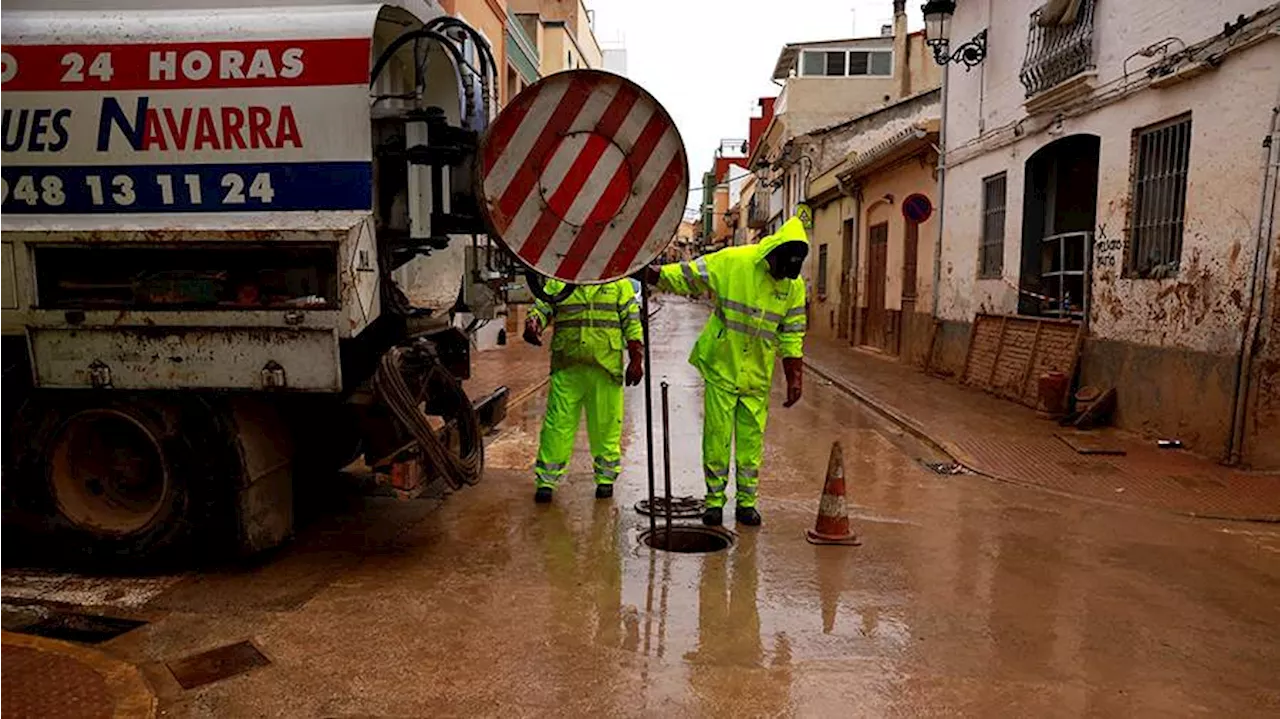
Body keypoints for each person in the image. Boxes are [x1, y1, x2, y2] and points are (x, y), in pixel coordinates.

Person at [636, 216, 808, 527]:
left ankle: (746, 503)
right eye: (781, 270)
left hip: (757, 374)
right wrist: (653, 275)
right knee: (716, 437)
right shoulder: (733, 261)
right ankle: (714, 501)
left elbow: (792, 331)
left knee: (751, 442)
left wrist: (795, 376)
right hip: (722, 367)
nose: (783, 278)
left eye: (789, 275)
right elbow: (689, 275)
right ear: (774, 254)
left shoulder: (793, 286)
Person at [525, 277, 644, 503]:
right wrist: (534, 321)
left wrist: (636, 357)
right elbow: (542, 306)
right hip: (568, 365)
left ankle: (605, 479)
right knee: (557, 425)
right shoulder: (559, 283)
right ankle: (547, 481)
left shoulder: (619, 284)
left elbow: (632, 322)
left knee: (606, 424)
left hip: (605, 366)